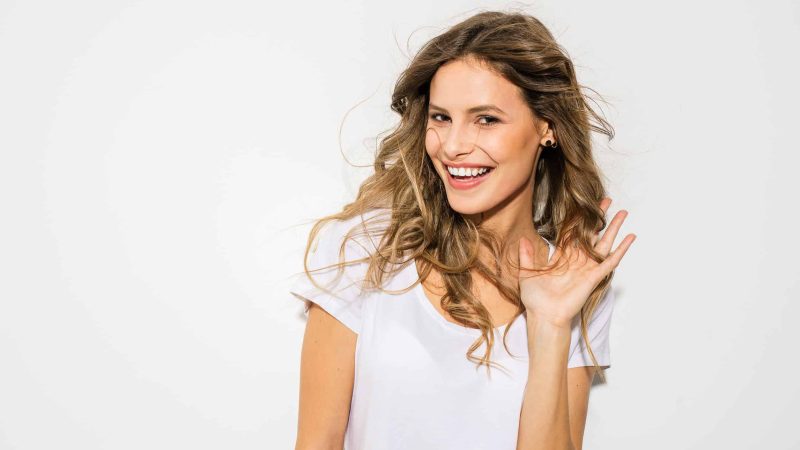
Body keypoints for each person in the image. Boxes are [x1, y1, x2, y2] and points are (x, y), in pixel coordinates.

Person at [289, 10, 636, 450]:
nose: (453, 146)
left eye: (486, 119)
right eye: (441, 118)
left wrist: (549, 325)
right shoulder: (365, 250)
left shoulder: (574, 279)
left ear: (546, 128)